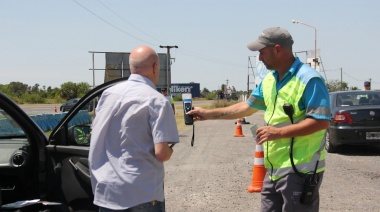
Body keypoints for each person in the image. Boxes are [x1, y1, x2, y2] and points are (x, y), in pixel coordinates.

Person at [188, 27, 330, 211]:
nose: (260, 58)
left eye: (262, 52)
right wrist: (208, 114)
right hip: (273, 169)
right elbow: (245, 107)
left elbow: (321, 121)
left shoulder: (310, 79)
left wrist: (278, 133)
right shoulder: (270, 80)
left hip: (300, 171)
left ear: (277, 49)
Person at [89, 46, 180, 212]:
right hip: (142, 193)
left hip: (107, 191)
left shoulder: (107, 95)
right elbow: (162, 153)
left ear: (132, 67)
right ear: (154, 67)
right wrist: (170, 151)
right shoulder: (157, 101)